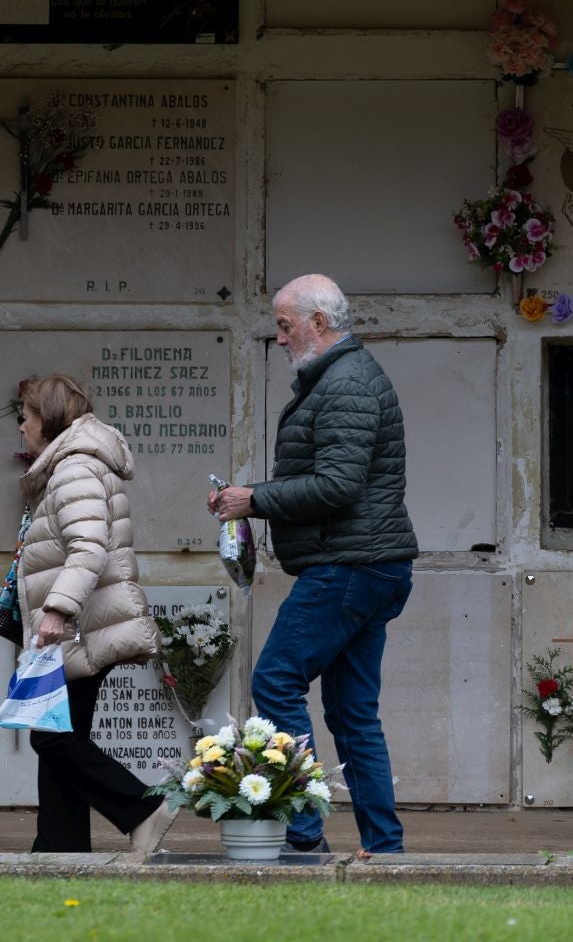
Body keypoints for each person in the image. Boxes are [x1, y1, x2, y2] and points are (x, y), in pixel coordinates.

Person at [209, 274, 418, 854]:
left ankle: (303, 835)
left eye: (284, 325)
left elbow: (340, 485)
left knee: (275, 681)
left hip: (348, 564)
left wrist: (255, 498)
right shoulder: (339, 377)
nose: (278, 338)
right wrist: (252, 497)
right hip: (370, 563)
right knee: (353, 714)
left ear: (318, 323)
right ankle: (384, 848)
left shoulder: (345, 383)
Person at [13, 373, 174, 857]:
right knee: (63, 735)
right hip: (83, 626)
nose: (21, 428)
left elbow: (88, 547)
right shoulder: (77, 463)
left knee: (51, 739)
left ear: (48, 417)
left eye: (26, 418)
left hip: (78, 627)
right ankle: (58, 850)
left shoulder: (75, 468)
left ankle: (143, 809)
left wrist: (57, 610)